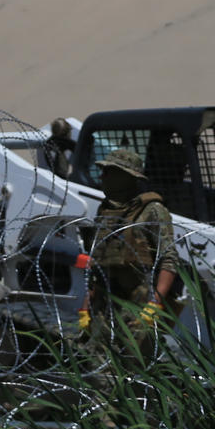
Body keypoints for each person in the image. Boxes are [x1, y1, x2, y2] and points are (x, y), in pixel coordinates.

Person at [78, 147, 180, 365]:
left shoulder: (152, 210)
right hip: (105, 303)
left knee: (135, 367)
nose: (103, 177)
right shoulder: (104, 211)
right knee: (96, 365)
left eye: (109, 172)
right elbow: (97, 262)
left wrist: (155, 303)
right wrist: (86, 305)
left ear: (127, 177)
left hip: (138, 304)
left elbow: (169, 258)